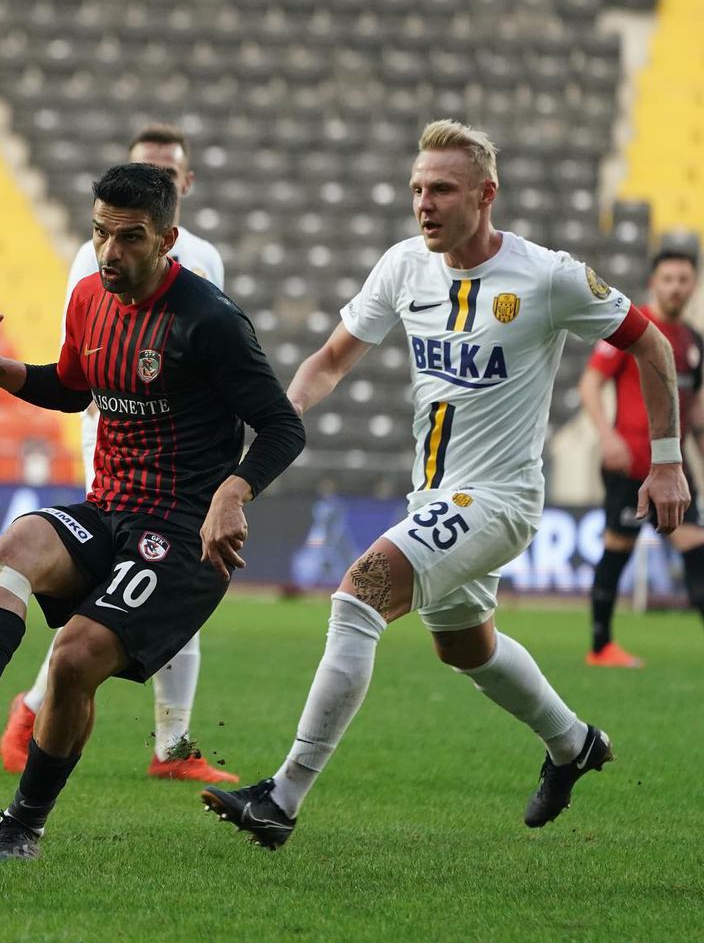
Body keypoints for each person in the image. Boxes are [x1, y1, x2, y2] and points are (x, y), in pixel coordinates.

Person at [201, 119, 690, 850]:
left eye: (442, 190)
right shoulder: (403, 266)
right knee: (464, 647)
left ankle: (282, 796)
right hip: (433, 498)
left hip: (500, 498)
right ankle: (574, 744)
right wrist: (283, 412)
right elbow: (331, 360)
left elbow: (649, 342)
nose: (424, 203)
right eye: (416, 190)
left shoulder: (547, 276)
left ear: (486, 195)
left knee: (360, 589)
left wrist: (666, 459)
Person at [0, 162, 306, 861]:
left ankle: (22, 824)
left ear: (168, 238)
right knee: (18, 543)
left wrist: (235, 490)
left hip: (182, 535)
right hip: (111, 509)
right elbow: (74, 388)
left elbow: (284, 428)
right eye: (101, 233)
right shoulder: (87, 299)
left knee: (73, 660)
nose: (111, 252)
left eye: (130, 238)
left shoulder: (210, 321)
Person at [0, 123, 236, 784]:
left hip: (181, 449)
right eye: (145, 168)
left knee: (169, 588)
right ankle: (37, 706)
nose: (158, 178)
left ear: (184, 185)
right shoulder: (95, 255)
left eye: (167, 171)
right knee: (121, 592)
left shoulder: (206, 260)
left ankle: (170, 744)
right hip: (118, 438)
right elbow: (88, 361)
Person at [579, 249, 704, 666]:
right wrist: (606, 435)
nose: (676, 287)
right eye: (668, 278)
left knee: (696, 544)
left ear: (694, 285)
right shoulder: (631, 329)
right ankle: (601, 647)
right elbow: (590, 384)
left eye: (683, 279)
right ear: (654, 282)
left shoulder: (693, 342)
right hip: (629, 462)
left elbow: (697, 414)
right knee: (619, 546)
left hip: (675, 470)